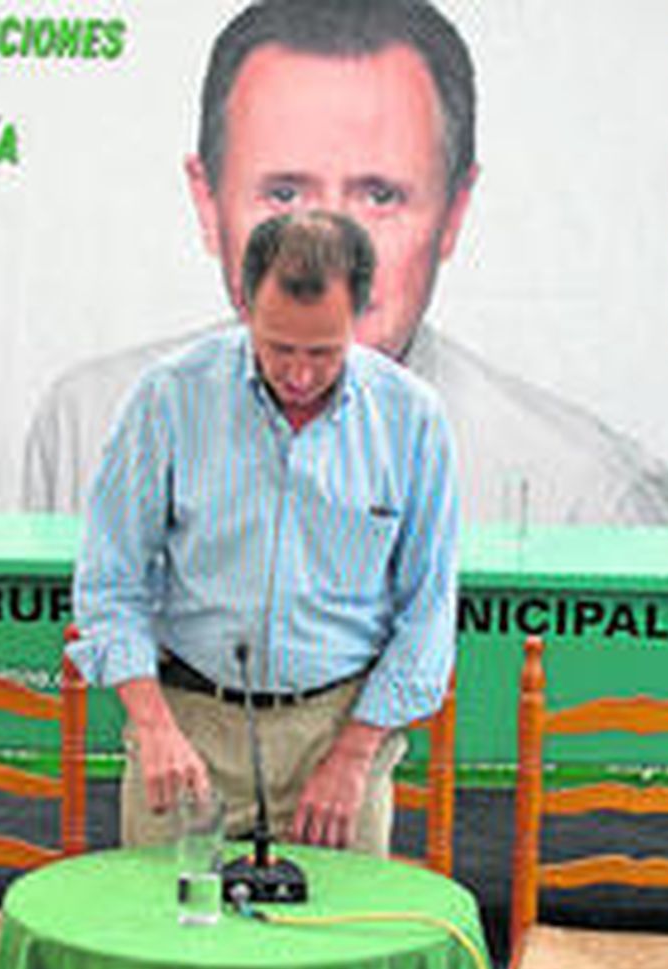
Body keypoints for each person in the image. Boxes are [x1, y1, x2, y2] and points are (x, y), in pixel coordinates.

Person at [24, 0, 668, 527]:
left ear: (454, 213)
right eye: (284, 193)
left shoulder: (591, 498)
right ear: (207, 204)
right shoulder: (92, 428)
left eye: (380, 196)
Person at [69, 211, 457, 852]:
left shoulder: (412, 421)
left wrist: (354, 754)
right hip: (189, 724)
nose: (300, 376)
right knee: (165, 941)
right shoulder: (169, 398)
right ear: (245, 307)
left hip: (338, 731)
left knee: (337, 946)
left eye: (324, 353)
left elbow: (428, 610)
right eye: (278, 348)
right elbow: (111, 583)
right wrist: (154, 725)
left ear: (358, 317)